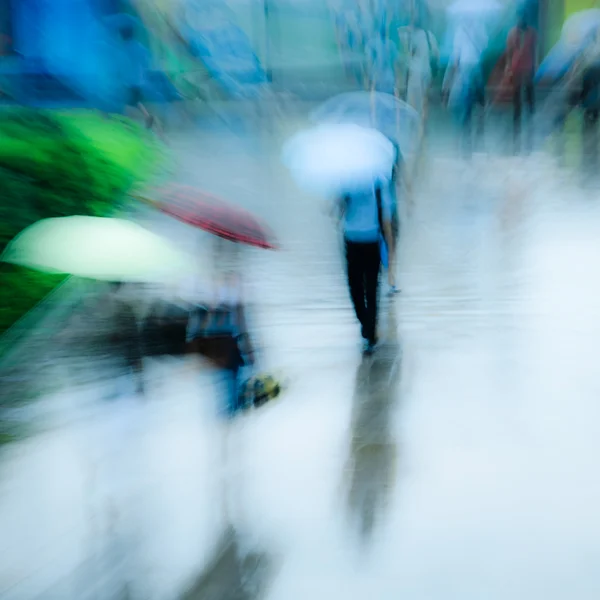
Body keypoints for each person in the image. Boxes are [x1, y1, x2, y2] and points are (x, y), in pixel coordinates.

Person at [335, 180, 394, 354]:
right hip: (351, 241)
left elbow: (386, 219)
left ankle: (371, 333)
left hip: (372, 241)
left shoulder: (378, 186)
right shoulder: (346, 185)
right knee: (355, 288)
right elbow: (338, 211)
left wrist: (390, 251)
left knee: (371, 289)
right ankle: (365, 322)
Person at [442, 19, 487, 157]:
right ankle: (475, 137)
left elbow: (456, 58)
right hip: (476, 69)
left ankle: (467, 143)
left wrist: (448, 84)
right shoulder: (480, 27)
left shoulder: (461, 31)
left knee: (467, 107)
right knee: (479, 105)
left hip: (467, 71)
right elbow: (483, 48)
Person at [118, 23, 159, 132]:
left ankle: (127, 124)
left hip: (129, 80)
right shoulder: (139, 46)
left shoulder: (124, 48)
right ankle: (142, 118)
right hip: (139, 79)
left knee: (129, 103)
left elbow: (122, 64)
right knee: (135, 102)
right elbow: (146, 61)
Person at [505, 10, 537, 146]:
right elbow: (509, 52)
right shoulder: (512, 33)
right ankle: (516, 127)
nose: (521, 19)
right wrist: (508, 69)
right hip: (516, 70)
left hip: (528, 69)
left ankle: (530, 124)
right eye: (519, 17)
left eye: (523, 17)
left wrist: (536, 68)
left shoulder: (533, 33)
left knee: (529, 100)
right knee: (517, 101)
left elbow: (535, 52)